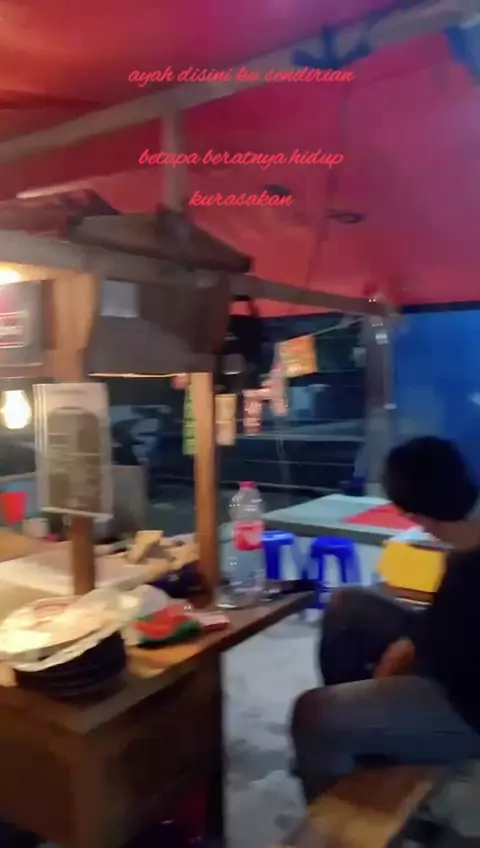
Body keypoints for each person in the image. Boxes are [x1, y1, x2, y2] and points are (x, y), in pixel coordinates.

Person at [291, 436, 480, 803]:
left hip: (466, 703)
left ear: (414, 514)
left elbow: (453, 653)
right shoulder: (467, 537)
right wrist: (410, 641)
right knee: (347, 605)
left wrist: (403, 662)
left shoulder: (469, 562)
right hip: (452, 652)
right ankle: (357, 744)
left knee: (311, 713)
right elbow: (446, 622)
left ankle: (340, 822)